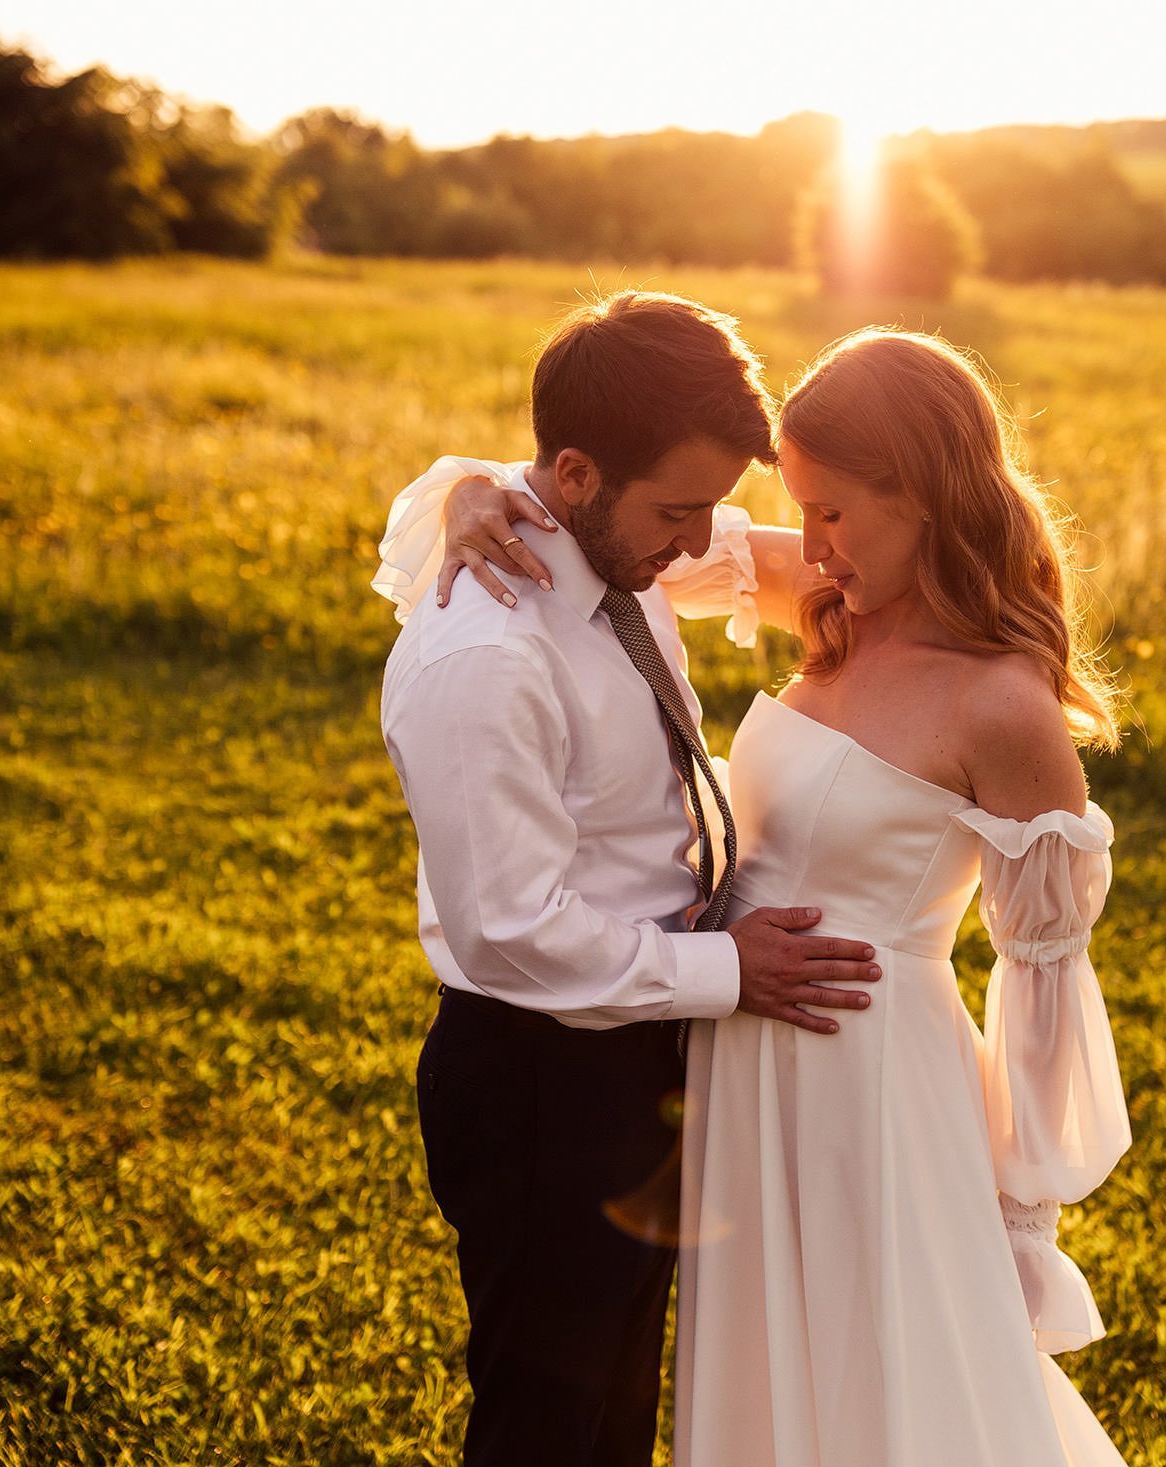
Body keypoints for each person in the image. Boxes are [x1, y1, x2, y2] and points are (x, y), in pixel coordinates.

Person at [419, 325, 1137, 1465]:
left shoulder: (1002, 707)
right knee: (735, 1390)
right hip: (724, 1056)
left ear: (928, 497)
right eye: (796, 510)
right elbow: (585, 508)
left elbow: (1042, 966)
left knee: (883, 1384)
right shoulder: (834, 585)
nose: (800, 543)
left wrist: (1019, 1213)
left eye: (832, 512)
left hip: (866, 1082)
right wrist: (467, 495)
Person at [374, 291, 888, 1467]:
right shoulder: (486, 652)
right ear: (573, 471)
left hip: (631, 1054)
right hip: (537, 1076)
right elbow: (510, 932)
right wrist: (728, 967)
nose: (697, 535)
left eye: (708, 504)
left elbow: (743, 564)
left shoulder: (605, 544)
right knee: (544, 1421)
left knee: (613, 1407)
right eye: (678, 509)